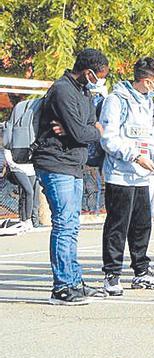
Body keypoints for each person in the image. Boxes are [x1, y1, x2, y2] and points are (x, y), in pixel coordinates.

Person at [35, 48, 110, 304]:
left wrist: (82, 129)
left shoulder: (85, 92)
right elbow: (84, 132)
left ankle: (74, 279)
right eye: (99, 76)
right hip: (55, 163)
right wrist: (86, 130)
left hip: (74, 164)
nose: (100, 81)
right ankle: (62, 287)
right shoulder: (62, 89)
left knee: (72, 226)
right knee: (64, 225)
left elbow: (90, 127)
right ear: (88, 72)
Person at [99, 56, 154, 296]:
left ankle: (141, 271)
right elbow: (109, 139)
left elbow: (150, 138)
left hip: (142, 175)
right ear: (146, 80)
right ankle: (111, 274)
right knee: (118, 226)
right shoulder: (116, 100)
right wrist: (134, 156)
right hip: (120, 174)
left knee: (142, 225)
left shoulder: (148, 102)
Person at [1, 141, 38, 234]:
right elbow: (8, 156)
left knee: (27, 194)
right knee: (28, 191)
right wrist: (15, 166)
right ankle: (27, 220)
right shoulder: (11, 141)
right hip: (17, 168)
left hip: (31, 169)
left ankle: (26, 220)